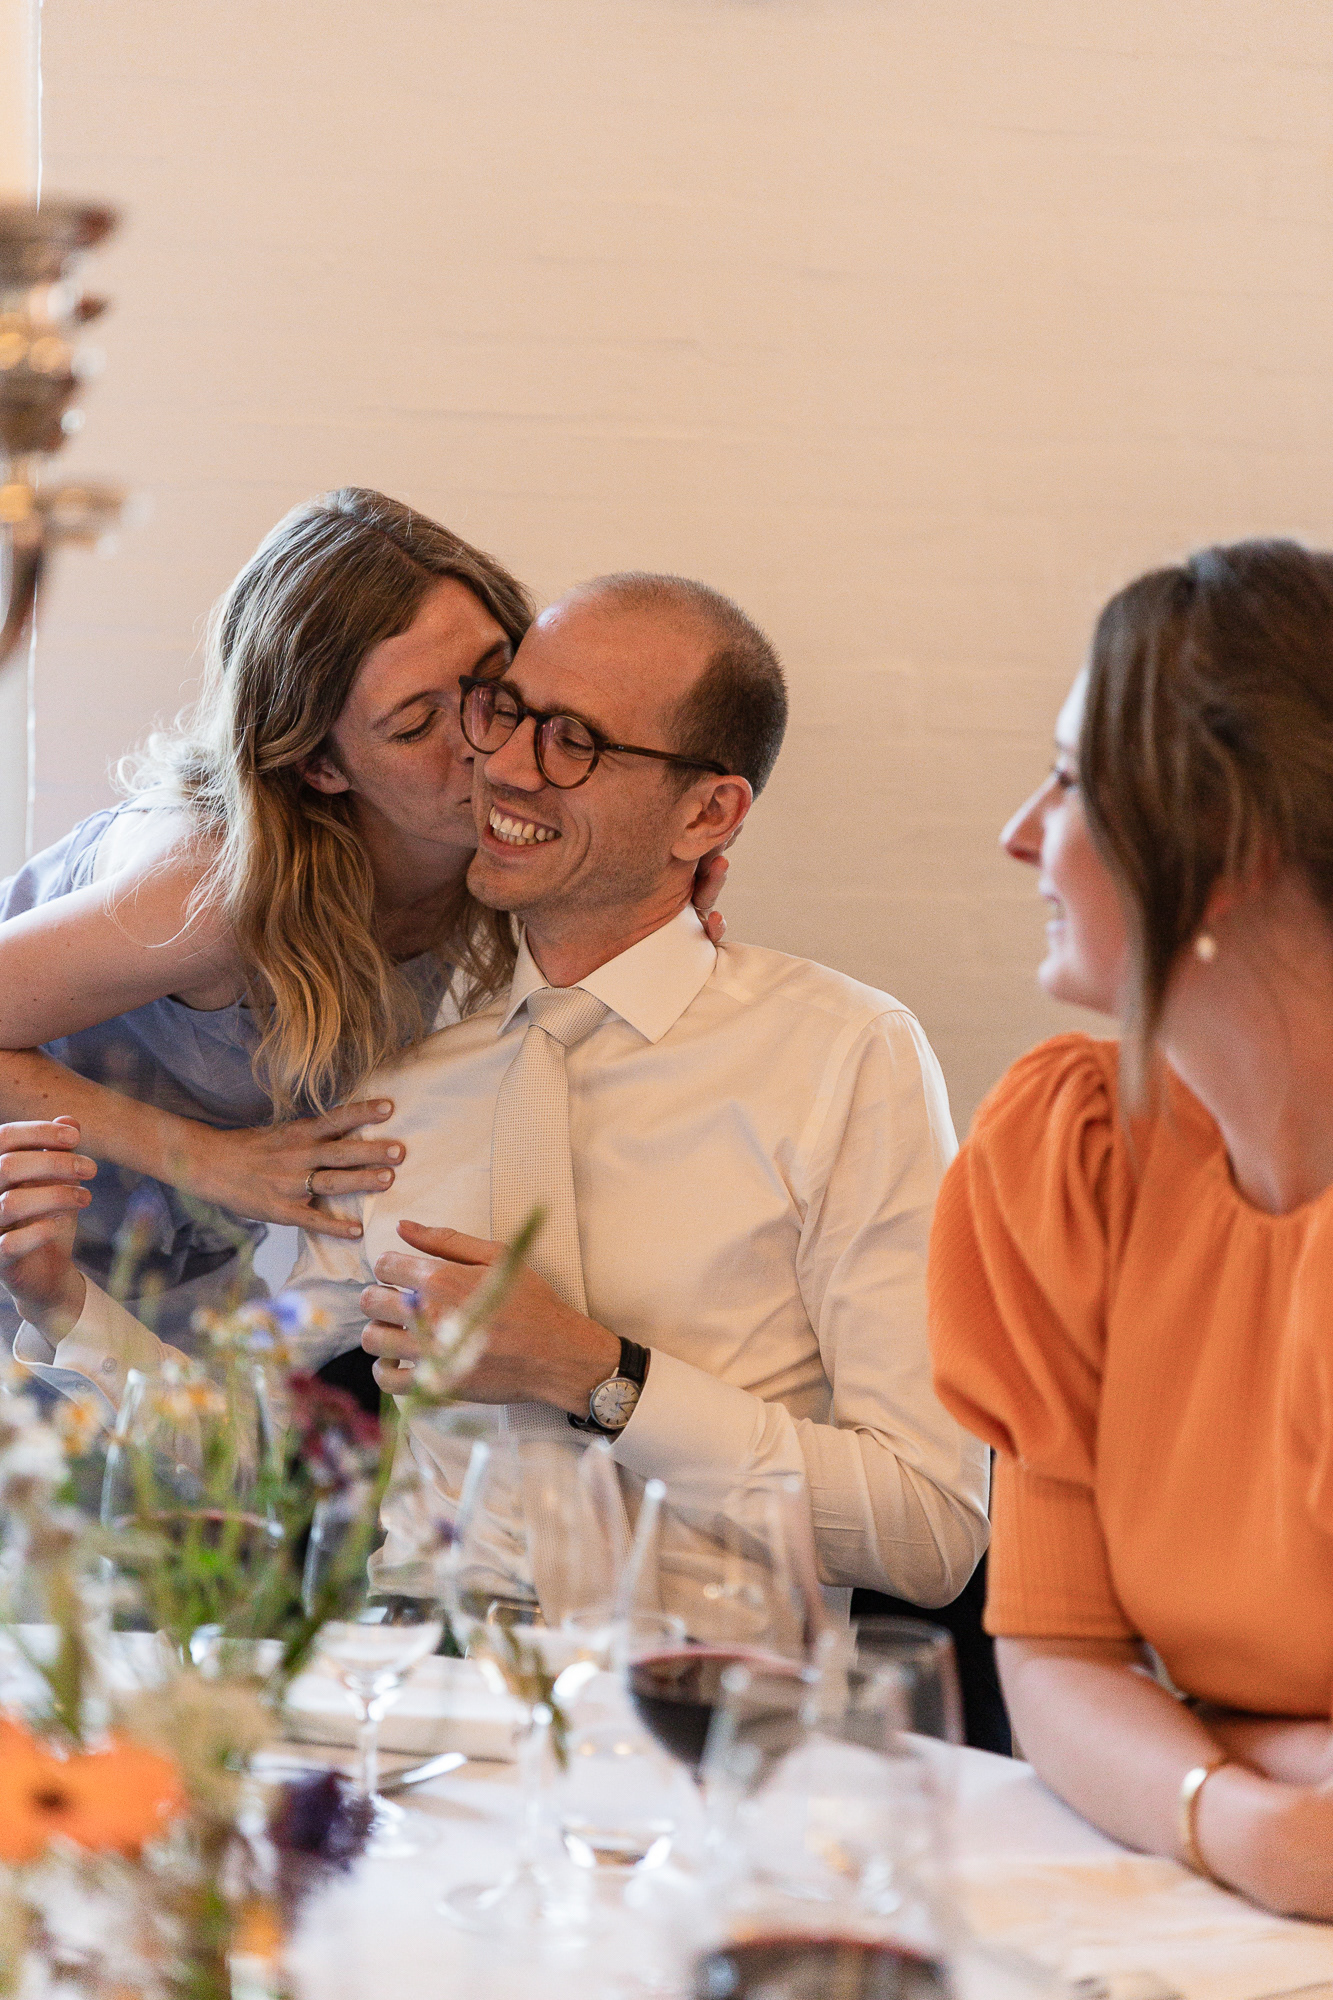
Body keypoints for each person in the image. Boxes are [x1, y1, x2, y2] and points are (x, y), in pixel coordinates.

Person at [2, 570, 989, 1607]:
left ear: (708, 813)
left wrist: (598, 1374)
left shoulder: (841, 1056)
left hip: (697, 1688)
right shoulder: (398, 1083)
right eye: (507, 710)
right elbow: (246, 1452)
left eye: (576, 742)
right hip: (413, 1677)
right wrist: (64, 1304)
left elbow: (928, 1533)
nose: (502, 767)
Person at [0, 489, 726, 1379]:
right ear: (319, 764)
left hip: (177, 1280)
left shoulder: (483, 846)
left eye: (492, 686)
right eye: (416, 725)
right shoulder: (212, 890)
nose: (487, 746)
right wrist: (206, 1161)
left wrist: (651, 890)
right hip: (23, 1253)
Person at [929, 540, 1333, 1919]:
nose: (1019, 833)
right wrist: (1247, 1813)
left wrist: (1195, 1738)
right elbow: (1053, 1654)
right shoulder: (1077, 1158)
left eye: (1069, 780)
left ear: (1222, 851)